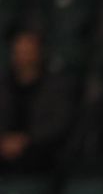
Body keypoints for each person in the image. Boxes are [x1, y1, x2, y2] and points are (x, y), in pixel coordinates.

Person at [0, 32, 78, 175]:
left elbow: (60, 122)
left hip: (40, 149)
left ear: (38, 54)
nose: (23, 57)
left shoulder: (55, 86)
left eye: (27, 52)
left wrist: (26, 140)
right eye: (19, 52)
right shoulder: (4, 84)